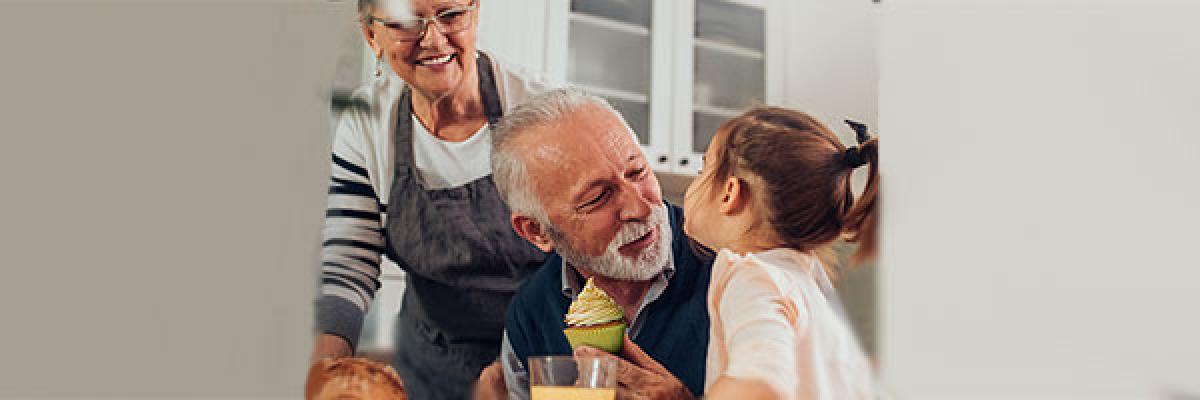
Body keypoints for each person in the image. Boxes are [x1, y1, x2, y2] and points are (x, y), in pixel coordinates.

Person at [311, 0, 554, 398]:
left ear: (474, 13)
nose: (434, 38)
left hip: (544, 360)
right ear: (372, 35)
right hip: (432, 369)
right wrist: (321, 376)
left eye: (451, 14)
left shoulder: (540, 110)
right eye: (406, 24)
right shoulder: (367, 121)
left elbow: (587, 260)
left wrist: (508, 370)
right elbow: (347, 267)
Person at [484, 88, 713, 400]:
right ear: (537, 231)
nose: (641, 208)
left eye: (638, 172)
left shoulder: (734, 265)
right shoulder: (531, 313)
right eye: (597, 198)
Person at [681, 107, 883, 399]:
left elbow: (760, 386)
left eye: (703, 171)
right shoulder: (804, 278)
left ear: (729, 193)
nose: (696, 181)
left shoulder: (751, 276)